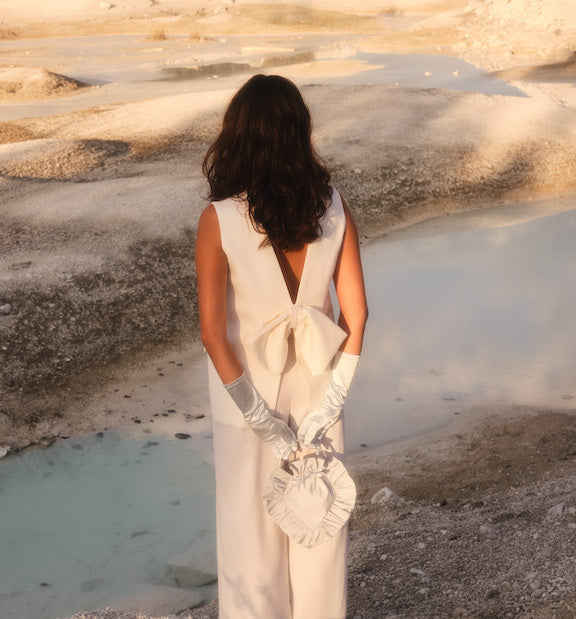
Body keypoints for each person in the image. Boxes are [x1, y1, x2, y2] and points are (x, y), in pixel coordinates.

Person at [195, 73, 368, 619]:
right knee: (319, 542)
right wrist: (328, 406)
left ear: (237, 137)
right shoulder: (334, 207)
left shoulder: (218, 219)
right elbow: (357, 317)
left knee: (250, 552)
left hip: (245, 403)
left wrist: (262, 419)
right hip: (320, 397)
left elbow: (212, 333)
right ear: (300, 133)